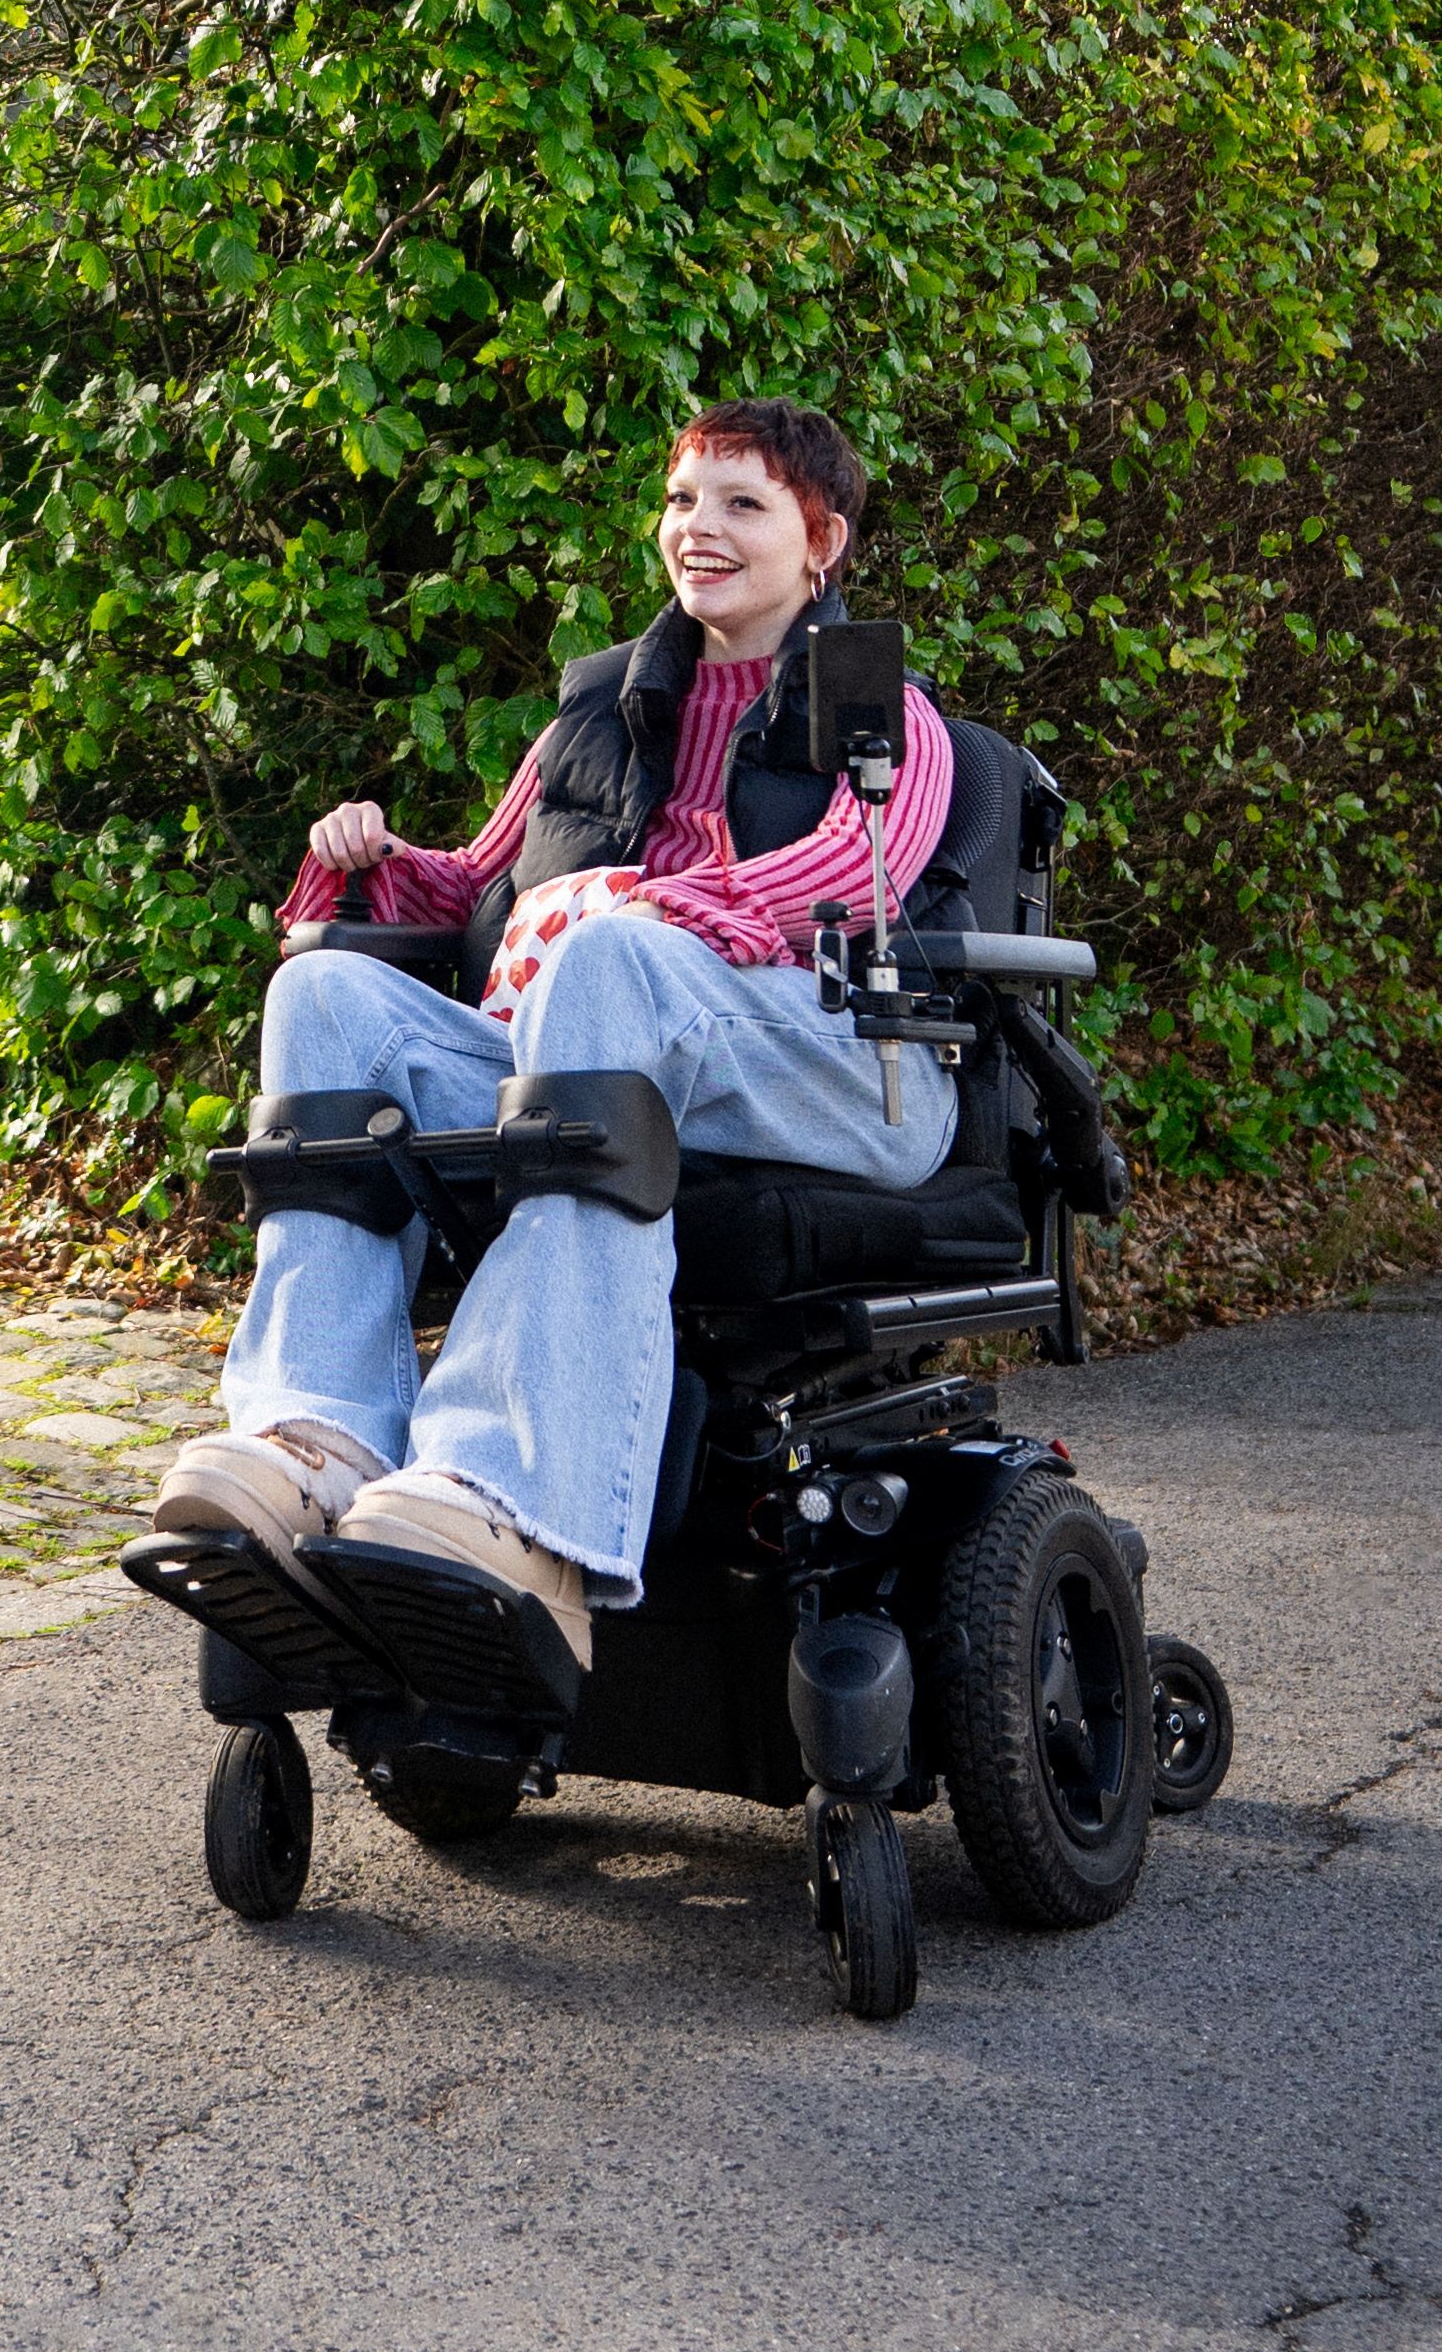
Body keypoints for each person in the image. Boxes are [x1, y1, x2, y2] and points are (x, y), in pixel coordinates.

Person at [150, 399, 955, 1679]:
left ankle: (511, 1490)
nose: (700, 528)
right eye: (684, 500)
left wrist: (626, 907)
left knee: (608, 949)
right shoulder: (592, 714)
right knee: (329, 997)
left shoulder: (883, 717)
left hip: (847, 1065)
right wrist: (366, 860)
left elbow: (848, 882)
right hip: (603, 1042)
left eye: (743, 504)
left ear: (823, 543)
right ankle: (321, 1436)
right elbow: (469, 887)